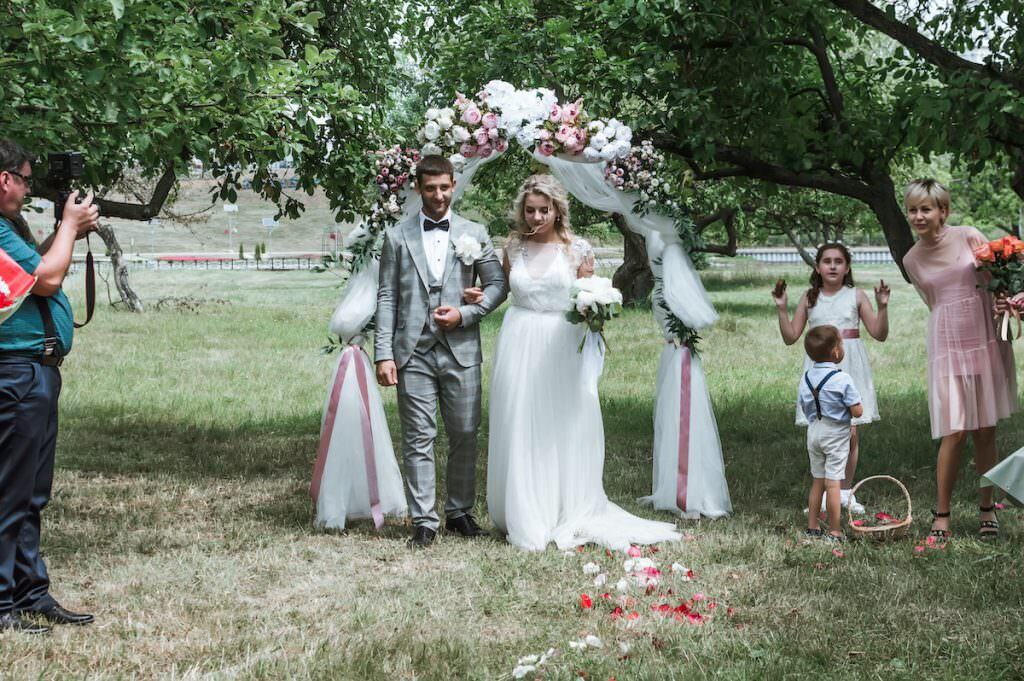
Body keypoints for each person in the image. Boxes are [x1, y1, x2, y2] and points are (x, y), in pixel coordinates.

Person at [478, 174, 680, 551]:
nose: (537, 216)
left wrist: (595, 310)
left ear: (558, 210)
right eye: (530, 210)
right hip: (519, 340)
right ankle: (524, 509)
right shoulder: (514, 247)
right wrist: (479, 295)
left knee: (563, 422)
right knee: (520, 421)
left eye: (544, 210)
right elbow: (505, 290)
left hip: (561, 343)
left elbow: (588, 293)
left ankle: (563, 504)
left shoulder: (577, 249)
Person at [374, 155, 508, 549]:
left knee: (465, 432)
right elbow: (386, 297)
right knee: (418, 435)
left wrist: (467, 311)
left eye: (444, 187)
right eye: (430, 188)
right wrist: (384, 353)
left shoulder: (474, 232)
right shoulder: (397, 237)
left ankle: (460, 512)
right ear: (418, 188)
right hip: (411, 351)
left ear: (454, 186)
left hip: (461, 349)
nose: (438, 195)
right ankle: (424, 521)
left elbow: (498, 284)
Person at [0, 139, 98, 634]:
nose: (26, 189)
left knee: (32, 494)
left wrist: (69, 233)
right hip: (14, 374)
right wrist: (68, 226)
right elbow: (46, 279)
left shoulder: (7, 227)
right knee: (8, 494)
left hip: (34, 372)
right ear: (5, 179)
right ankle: (2, 605)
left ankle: (29, 592)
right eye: (25, 179)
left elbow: (35, 269)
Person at [901, 179, 1016, 541]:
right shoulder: (911, 260)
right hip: (947, 343)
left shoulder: (969, 236)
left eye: (926, 209)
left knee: (985, 430)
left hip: (984, 337)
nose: (919, 216)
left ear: (943, 211)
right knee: (955, 431)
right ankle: (942, 513)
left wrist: (1005, 300)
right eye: (913, 210)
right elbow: (933, 303)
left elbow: (998, 283)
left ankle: (987, 510)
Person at [773, 243, 889, 513]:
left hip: (849, 365)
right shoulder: (810, 298)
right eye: (827, 261)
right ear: (818, 267)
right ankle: (825, 491)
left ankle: (845, 492)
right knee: (821, 427)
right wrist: (782, 308)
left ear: (847, 267)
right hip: (819, 369)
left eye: (839, 261)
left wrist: (882, 307)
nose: (833, 266)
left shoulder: (856, 296)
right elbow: (791, 336)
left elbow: (879, 333)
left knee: (850, 429)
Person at [797, 326, 864, 541]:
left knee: (818, 480)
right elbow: (857, 410)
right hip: (835, 433)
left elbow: (805, 406)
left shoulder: (806, 378)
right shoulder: (842, 379)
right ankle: (835, 530)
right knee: (833, 483)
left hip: (814, 430)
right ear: (835, 352)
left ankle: (813, 525)